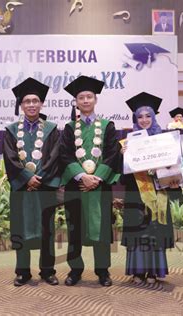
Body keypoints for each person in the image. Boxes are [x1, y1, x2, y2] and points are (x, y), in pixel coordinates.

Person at [60, 75, 120, 287]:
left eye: (89, 97)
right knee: (75, 229)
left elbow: (113, 153)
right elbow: (65, 155)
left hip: (99, 187)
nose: (85, 101)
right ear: (76, 101)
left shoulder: (107, 126)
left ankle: (102, 271)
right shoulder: (68, 128)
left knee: (102, 229)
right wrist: (82, 176)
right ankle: (75, 270)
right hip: (76, 186)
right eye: (81, 97)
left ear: (95, 100)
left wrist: (97, 178)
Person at [3, 78, 60, 286]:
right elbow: (10, 158)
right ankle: (23, 271)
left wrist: (40, 178)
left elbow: (55, 157)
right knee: (19, 228)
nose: (31, 105)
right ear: (21, 105)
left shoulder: (52, 129)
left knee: (47, 228)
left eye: (35, 100)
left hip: (44, 188)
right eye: (27, 101)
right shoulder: (10, 130)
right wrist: (27, 178)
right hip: (21, 188)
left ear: (42, 104)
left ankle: (47, 270)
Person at [120, 92, 178, 284]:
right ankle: (138, 271)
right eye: (140, 116)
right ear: (135, 119)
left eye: (148, 116)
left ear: (154, 118)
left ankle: (153, 271)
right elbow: (121, 175)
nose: (144, 120)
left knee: (154, 229)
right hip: (136, 192)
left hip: (158, 190)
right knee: (138, 229)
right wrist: (124, 157)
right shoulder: (127, 142)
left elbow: (174, 166)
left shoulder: (164, 139)